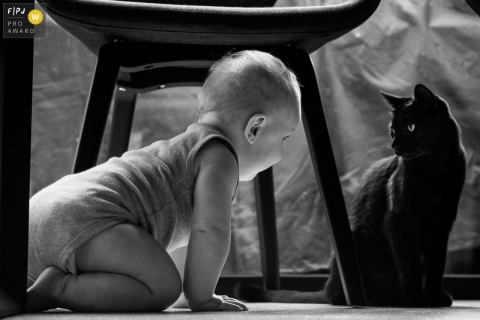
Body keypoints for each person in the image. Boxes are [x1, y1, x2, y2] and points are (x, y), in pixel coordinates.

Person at [25, 50, 302, 313]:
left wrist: (186, 291)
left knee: (162, 278)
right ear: (255, 127)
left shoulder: (186, 152)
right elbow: (210, 231)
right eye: (285, 137)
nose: (284, 149)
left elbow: (188, 236)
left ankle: (33, 285)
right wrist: (202, 297)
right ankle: (59, 287)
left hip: (45, 211)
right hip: (85, 217)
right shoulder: (220, 156)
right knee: (161, 288)